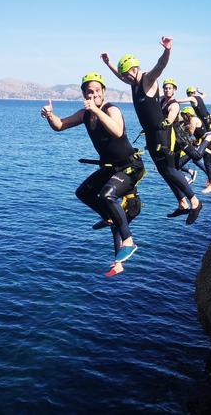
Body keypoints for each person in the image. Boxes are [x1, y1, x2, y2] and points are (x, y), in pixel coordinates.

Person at [40, 72, 145, 277]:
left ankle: (129, 241)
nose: (94, 94)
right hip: (109, 168)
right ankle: (110, 223)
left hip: (129, 167)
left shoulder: (111, 109)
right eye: (90, 91)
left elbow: (117, 131)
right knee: (83, 193)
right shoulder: (85, 114)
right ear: (84, 94)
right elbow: (60, 126)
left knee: (107, 195)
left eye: (98, 90)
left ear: (104, 92)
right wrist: (50, 115)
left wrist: (97, 109)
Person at [101, 37, 203, 225]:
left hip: (162, 133)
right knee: (164, 171)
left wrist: (167, 50)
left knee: (171, 169)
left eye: (127, 75)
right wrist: (109, 63)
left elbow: (161, 65)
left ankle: (195, 202)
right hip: (150, 135)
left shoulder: (147, 79)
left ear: (135, 69)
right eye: (124, 76)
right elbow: (119, 76)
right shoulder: (133, 82)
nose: (125, 79)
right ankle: (182, 203)